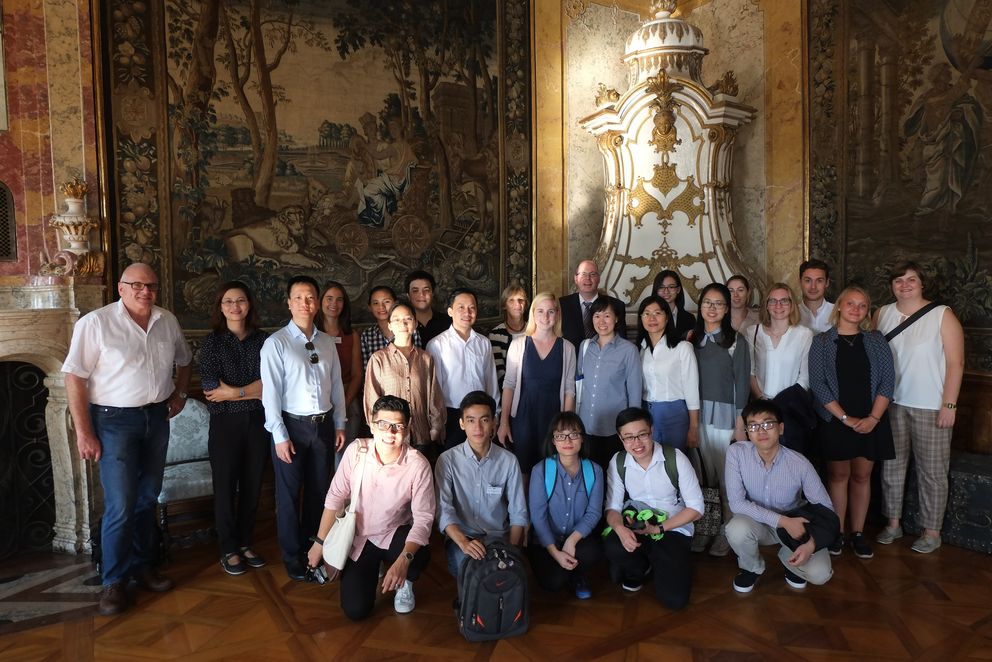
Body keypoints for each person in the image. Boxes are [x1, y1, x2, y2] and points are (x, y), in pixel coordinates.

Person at [62, 262, 192, 615]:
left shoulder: (166, 321)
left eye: (150, 285)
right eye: (136, 285)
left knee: (147, 498)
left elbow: (185, 359)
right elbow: (74, 376)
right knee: (121, 502)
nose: (144, 291)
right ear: (120, 288)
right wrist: (84, 431)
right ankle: (114, 581)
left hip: (156, 418)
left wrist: (179, 394)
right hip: (113, 421)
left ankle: (144, 565)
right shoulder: (96, 323)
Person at [307, 395, 435, 619]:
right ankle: (375, 567)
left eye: (397, 426)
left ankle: (405, 583)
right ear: (372, 424)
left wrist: (404, 561)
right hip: (360, 537)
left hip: (395, 534)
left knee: (419, 552)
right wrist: (319, 543)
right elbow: (336, 496)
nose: (390, 432)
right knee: (355, 610)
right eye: (383, 425)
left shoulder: (418, 465)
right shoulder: (357, 451)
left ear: (407, 429)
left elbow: (424, 518)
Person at [261, 275, 347, 581]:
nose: (305, 303)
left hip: (323, 427)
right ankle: (292, 556)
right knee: (287, 496)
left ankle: (316, 549)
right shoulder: (276, 343)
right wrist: (279, 437)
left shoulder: (326, 341)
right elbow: (270, 394)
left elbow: (336, 385)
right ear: (288, 302)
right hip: (292, 429)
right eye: (298, 297)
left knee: (319, 494)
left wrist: (339, 423)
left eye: (310, 297)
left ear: (317, 302)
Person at [875, 261, 964, 554]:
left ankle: (931, 531)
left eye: (911, 280)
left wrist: (949, 404)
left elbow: (955, 363)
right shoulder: (882, 314)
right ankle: (893, 523)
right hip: (892, 404)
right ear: (892, 285)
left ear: (921, 283)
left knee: (932, 472)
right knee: (892, 468)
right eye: (898, 280)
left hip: (930, 405)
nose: (905, 285)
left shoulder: (942, 315)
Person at [809, 286, 895, 560]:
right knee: (838, 476)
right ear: (839, 308)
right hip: (837, 420)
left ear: (867, 311)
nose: (856, 309)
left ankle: (857, 533)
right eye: (850, 304)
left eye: (862, 305)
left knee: (861, 476)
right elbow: (818, 385)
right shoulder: (821, 342)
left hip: (871, 419)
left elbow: (887, 382)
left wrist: (873, 418)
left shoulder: (876, 340)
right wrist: (845, 418)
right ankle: (837, 532)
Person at [726, 400, 837, 593]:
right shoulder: (736, 453)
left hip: (795, 526)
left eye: (768, 424)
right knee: (736, 528)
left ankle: (790, 562)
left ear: (781, 428)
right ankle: (751, 568)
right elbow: (736, 503)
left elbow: (826, 508)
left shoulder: (800, 463)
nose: (761, 431)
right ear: (747, 432)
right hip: (757, 522)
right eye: (753, 426)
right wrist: (782, 521)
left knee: (820, 574)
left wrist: (811, 545)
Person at [199, 281, 269, 576]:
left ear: (249, 304)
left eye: (240, 300)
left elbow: (270, 385)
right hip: (225, 424)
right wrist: (250, 391)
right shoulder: (212, 343)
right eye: (228, 301)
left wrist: (235, 393)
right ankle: (228, 548)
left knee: (253, 485)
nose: (235, 306)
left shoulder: (264, 341)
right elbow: (211, 388)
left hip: (257, 422)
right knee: (225, 487)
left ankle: (244, 542)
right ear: (221, 307)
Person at [603, 407, 703, 610]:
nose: (637, 443)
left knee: (674, 600)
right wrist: (621, 530)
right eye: (629, 437)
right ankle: (639, 569)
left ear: (652, 431)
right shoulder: (618, 461)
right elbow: (612, 507)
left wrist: (658, 529)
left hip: (671, 526)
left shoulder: (675, 458)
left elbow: (696, 508)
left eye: (642, 435)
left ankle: (663, 562)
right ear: (620, 438)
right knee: (613, 544)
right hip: (638, 521)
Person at [436, 391, 528, 587]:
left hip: (499, 538)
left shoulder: (508, 461)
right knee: (470, 569)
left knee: (506, 575)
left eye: (484, 420)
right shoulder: (447, 460)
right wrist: (464, 543)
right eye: (470, 420)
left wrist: (510, 550)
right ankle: (471, 609)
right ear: (461, 423)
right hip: (463, 537)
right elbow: (444, 510)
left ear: (494, 422)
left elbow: (518, 512)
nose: (477, 427)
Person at [691, 282, 750, 557]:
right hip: (695, 416)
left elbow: (742, 385)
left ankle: (727, 532)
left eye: (718, 304)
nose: (712, 308)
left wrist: (740, 425)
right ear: (700, 306)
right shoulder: (690, 339)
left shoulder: (737, 341)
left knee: (726, 480)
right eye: (707, 303)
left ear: (727, 309)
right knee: (702, 478)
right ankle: (705, 529)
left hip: (725, 418)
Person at [498, 292, 577, 475]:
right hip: (523, 419)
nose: (545, 316)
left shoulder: (567, 348)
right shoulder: (518, 345)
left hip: (553, 419)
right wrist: (504, 423)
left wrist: (565, 427)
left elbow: (569, 390)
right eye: (540, 311)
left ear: (557, 314)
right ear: (533, 314)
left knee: (552, 471)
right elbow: (509, 385)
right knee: (523, 472)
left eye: (550, 311)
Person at [528, 413, 604, 599]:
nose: (567, 440)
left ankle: (578, 575)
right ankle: (563, 567)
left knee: (594, 551)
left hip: (577, 539)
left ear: (582, 438)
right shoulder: (541, 470)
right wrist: (555, 553)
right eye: (560, 435)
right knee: (553, 583)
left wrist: (572, 541)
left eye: (573, 434)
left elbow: (594, 513)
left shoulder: (595, 470)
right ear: (553, 440)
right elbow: (538, 516)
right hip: (547, 541)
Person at [365, 301, 446, 458]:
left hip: (422, 435)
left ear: (415, 323)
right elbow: (371, 399)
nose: (402, 323)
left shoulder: (425, 358)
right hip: (391, 436)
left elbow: (434, 395)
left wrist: (436, 428)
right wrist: (377, 430)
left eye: (407, 319)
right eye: (396, 320)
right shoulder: (378, 359)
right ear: (389, 325)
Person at [744, 283, 815, 453]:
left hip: (790, 411)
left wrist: (779, 405)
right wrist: (763, 401)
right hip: (760, 409)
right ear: (766, 305)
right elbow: (749, 371)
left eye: (784, 301)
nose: (778, 306)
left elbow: (805, 378)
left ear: (792, 305)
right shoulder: (752, 332)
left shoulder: (804, 334)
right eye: (773, 301)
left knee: (791, 461)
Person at [426, 288, 499, 450]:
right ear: (450, 311)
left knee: (482, 461)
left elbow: (491, 380)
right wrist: (439, 423)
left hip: (482, 414)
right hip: (451, 415)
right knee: (453, 466)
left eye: (472, 308)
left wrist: (496, 414)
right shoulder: (437, 345)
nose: (467, 312)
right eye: (461, 307)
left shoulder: (483, 342)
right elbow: (434, 388)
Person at [576, 298, 642, 468]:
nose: (602, 321)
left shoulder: (629, 350)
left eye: (607, 316)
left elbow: (634, 393)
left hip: (615, 428)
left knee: (613, 477)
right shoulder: (585, 347)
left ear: (616, 318)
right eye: (597, 316)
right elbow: (578, 386)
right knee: (589, 475)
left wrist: (632, 429)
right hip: (586, 426)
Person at [637, 295, 699, 451]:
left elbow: (692, 390)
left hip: (675, 414)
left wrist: (693, 427)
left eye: (658, 313)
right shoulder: (639, 349)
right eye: (646, 313)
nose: (652, 318)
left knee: (675, 463)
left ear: (667, 317)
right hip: (646, 414)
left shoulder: (682, 348)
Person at [316, 281, 363, 456]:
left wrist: (343, 402)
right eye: (329, 299)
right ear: (320, 302)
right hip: (318, 399)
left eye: (339, 300)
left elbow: (357, 374)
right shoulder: (311, 333)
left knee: (343, 457)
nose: (333, 304)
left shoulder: (351, 335)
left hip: (347, 397)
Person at [559, 259, 628, 350]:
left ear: (599, 279)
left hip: (606, 360)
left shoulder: (616, 305)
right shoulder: (562, 305)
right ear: (576, 279)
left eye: (592, 274)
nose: (588, 278)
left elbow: (621, 341)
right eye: (583, 274)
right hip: (572, 360)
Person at [359, 285, 423, 372]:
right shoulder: (367, 336)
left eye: (386, 301)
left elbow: (418, 362)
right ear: (370, 307)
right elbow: (367, 371)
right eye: (376, 303)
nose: (381, 307)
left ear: (395, 303)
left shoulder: (409, 329)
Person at [488, 284, 529, 390]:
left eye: (521, 300)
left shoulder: (534, 330)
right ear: (504, 305)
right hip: (507, 391)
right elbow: (498, 370)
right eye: (511, 300)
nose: (517, 304)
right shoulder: (496, 334)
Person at [405, 269, 450, 345]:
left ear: (433, 293)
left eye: (426, 290)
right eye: (415, 291)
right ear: (408, 296)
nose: (421, 294)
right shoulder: (403, 325)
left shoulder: (449, 322)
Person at [654, 270, 696, 340]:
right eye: (661, 287)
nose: (666, 291)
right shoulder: (649, 317)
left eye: (671, 287)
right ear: (656, 290)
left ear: (678, 289)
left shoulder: (689, 318)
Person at [798, 259, 834, 333]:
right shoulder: (790, 314)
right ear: (800, 282)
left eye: (819, 281)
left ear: (827, 283)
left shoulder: (838, 313)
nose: (813, 287)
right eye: (808, 280)